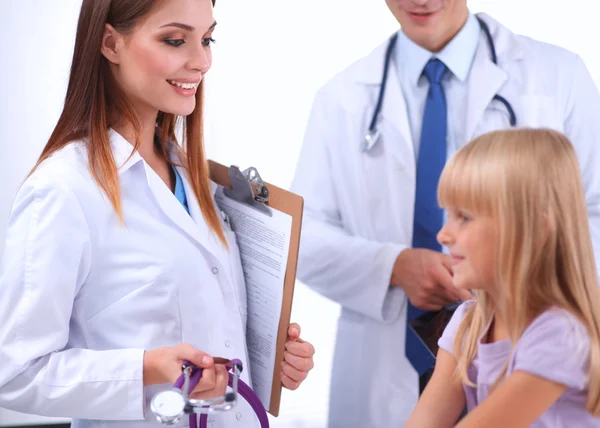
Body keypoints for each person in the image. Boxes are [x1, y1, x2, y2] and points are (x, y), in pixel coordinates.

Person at [0, 1, 315, 427]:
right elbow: (15, 373)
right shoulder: (62, 190)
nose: (201, 61)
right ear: (111, 43)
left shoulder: (196, 178)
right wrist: (149, 368)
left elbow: (207, 323)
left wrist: (266, 357)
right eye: (175, 40)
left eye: (207, 39)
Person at [290, 0, 600, 426]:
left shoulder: (557, 76)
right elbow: (303, 234)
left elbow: (591, 214)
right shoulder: (342, 96)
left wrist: (518, 288)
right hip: (385, 359)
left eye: (466, 218)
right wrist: (392, 266)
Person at [405, 128, 600, 427]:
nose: (443, 235)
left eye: (465, 218)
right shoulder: (469, 323)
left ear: (534, 230)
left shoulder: (560, 335)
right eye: (449, 216)